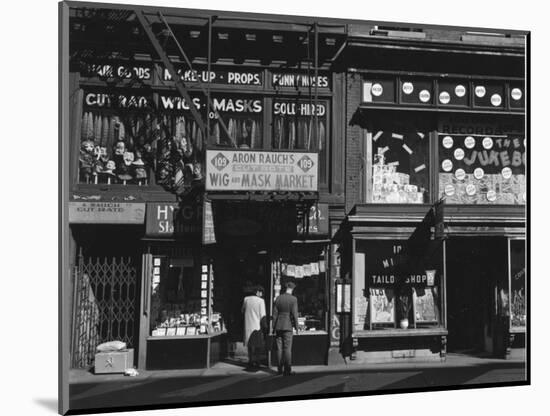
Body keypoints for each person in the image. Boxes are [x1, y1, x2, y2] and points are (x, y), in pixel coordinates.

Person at [272, 281, 299, 376]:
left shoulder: (278, 298)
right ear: (292, 289)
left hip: (278, 326)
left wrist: (273, 328)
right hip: (288, 326)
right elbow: (295, 314)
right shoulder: (293, 299)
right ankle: (287, 370)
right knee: (287, 348)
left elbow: (274, 314)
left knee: (279, 348)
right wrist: (297, 327)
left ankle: (279, 369)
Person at [241, 285, 266, 368]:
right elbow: (263, 315)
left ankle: (250, 360)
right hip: (257, 326)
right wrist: (265, 326)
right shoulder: (261, 301)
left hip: (247, 324)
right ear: (257, 292)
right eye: (261, 292)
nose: (262, 294)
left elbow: (242, 310)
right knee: (258, 345)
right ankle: (257, 361)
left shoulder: (246, 299)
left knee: (249, 345)